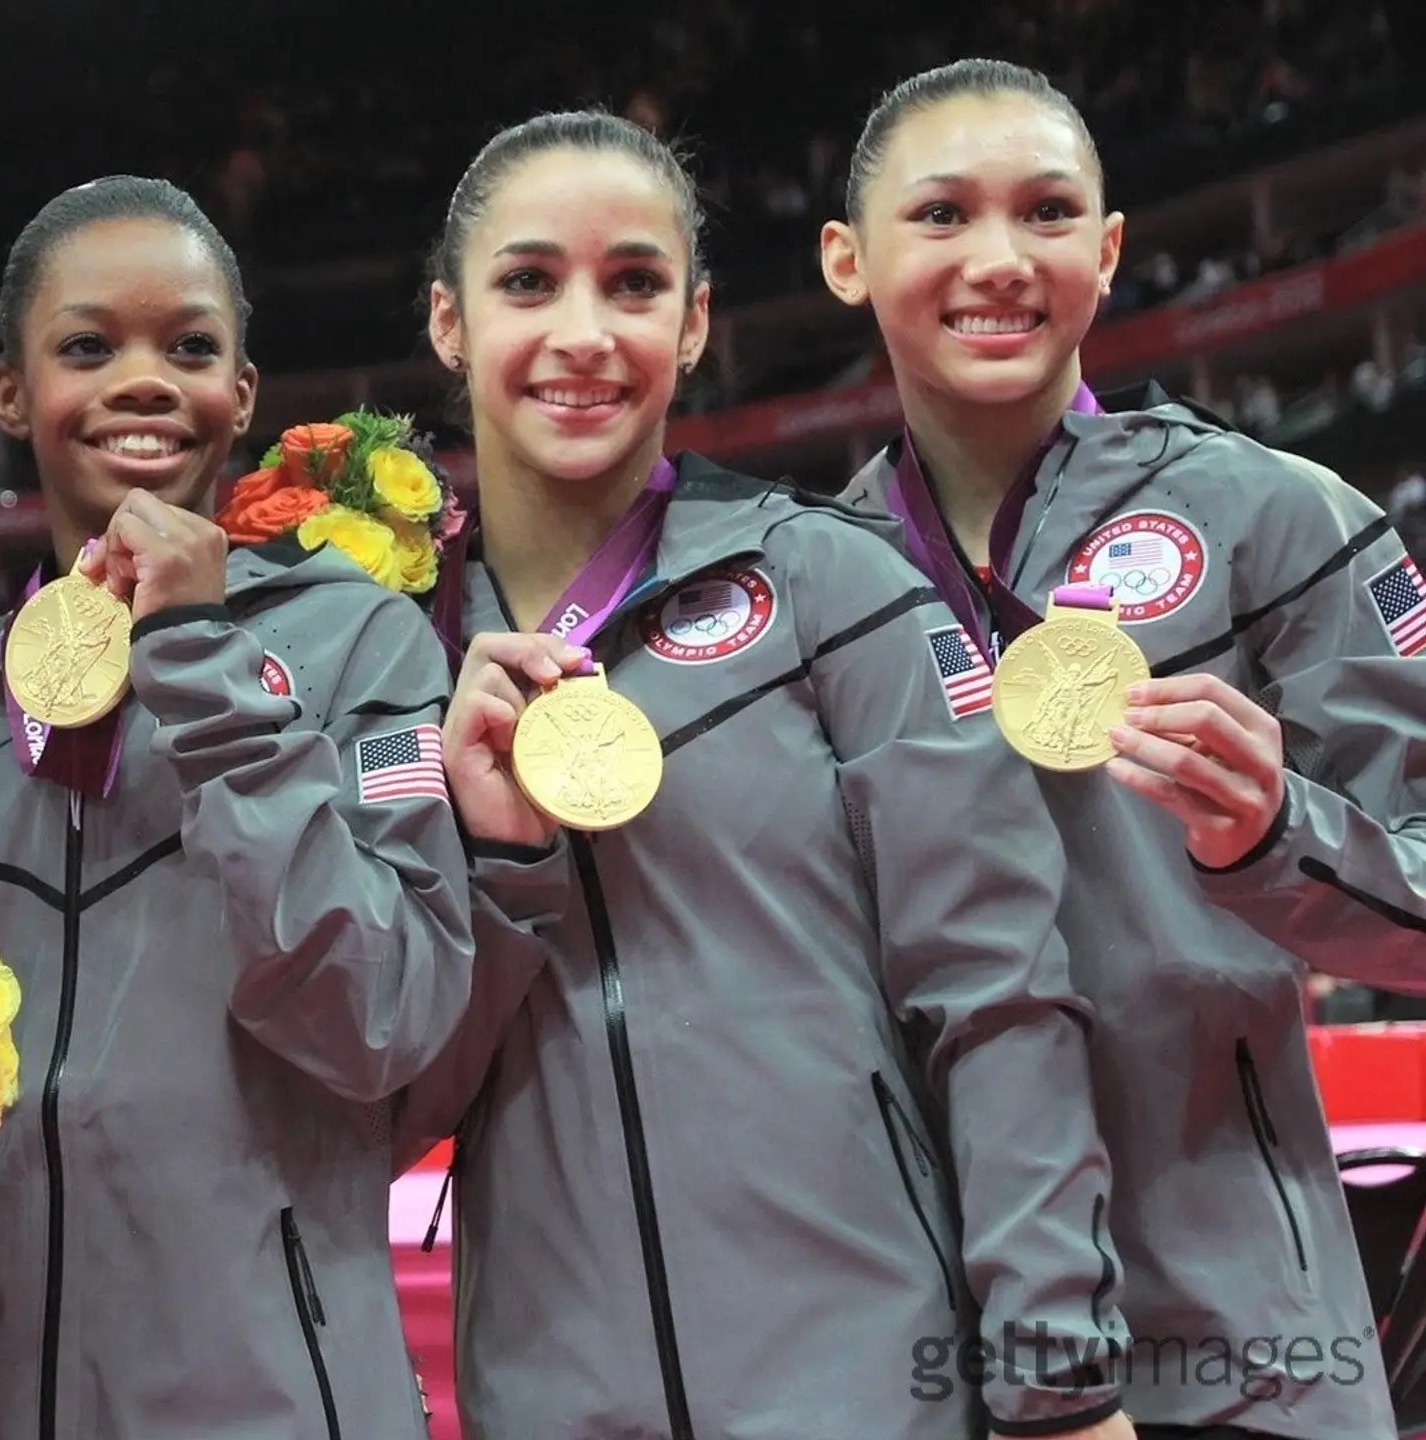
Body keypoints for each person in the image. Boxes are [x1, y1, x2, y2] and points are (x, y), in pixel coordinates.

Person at [394, 110, 1137, 1439]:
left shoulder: (828, 583)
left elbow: (997, 992)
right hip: (549, 1397)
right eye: (526, 283)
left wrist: (1060, 1383)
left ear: (692, 325)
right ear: (449, 324)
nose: (583, 334)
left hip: (866, 1385)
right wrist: (506, 866)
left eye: (634, 284)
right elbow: (380, 1089)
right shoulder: (391, 661)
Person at [0, 175, 475, 1439]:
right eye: (85, 346)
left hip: (274, 1398)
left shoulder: (361, 649)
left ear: (245, 391)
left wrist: (203, 657)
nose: (143, 378)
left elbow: (382, 1019)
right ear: (11, 392)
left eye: (191, 346)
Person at [822, 57, 1418, 1439]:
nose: (999, 258)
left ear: (1108, 252)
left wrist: (1276, 836)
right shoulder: (812, 586)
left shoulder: (1276, 519)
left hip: (1243, 1340)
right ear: (848, 261)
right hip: (917, 1347)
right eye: (942, 216)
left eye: (1045, 212)